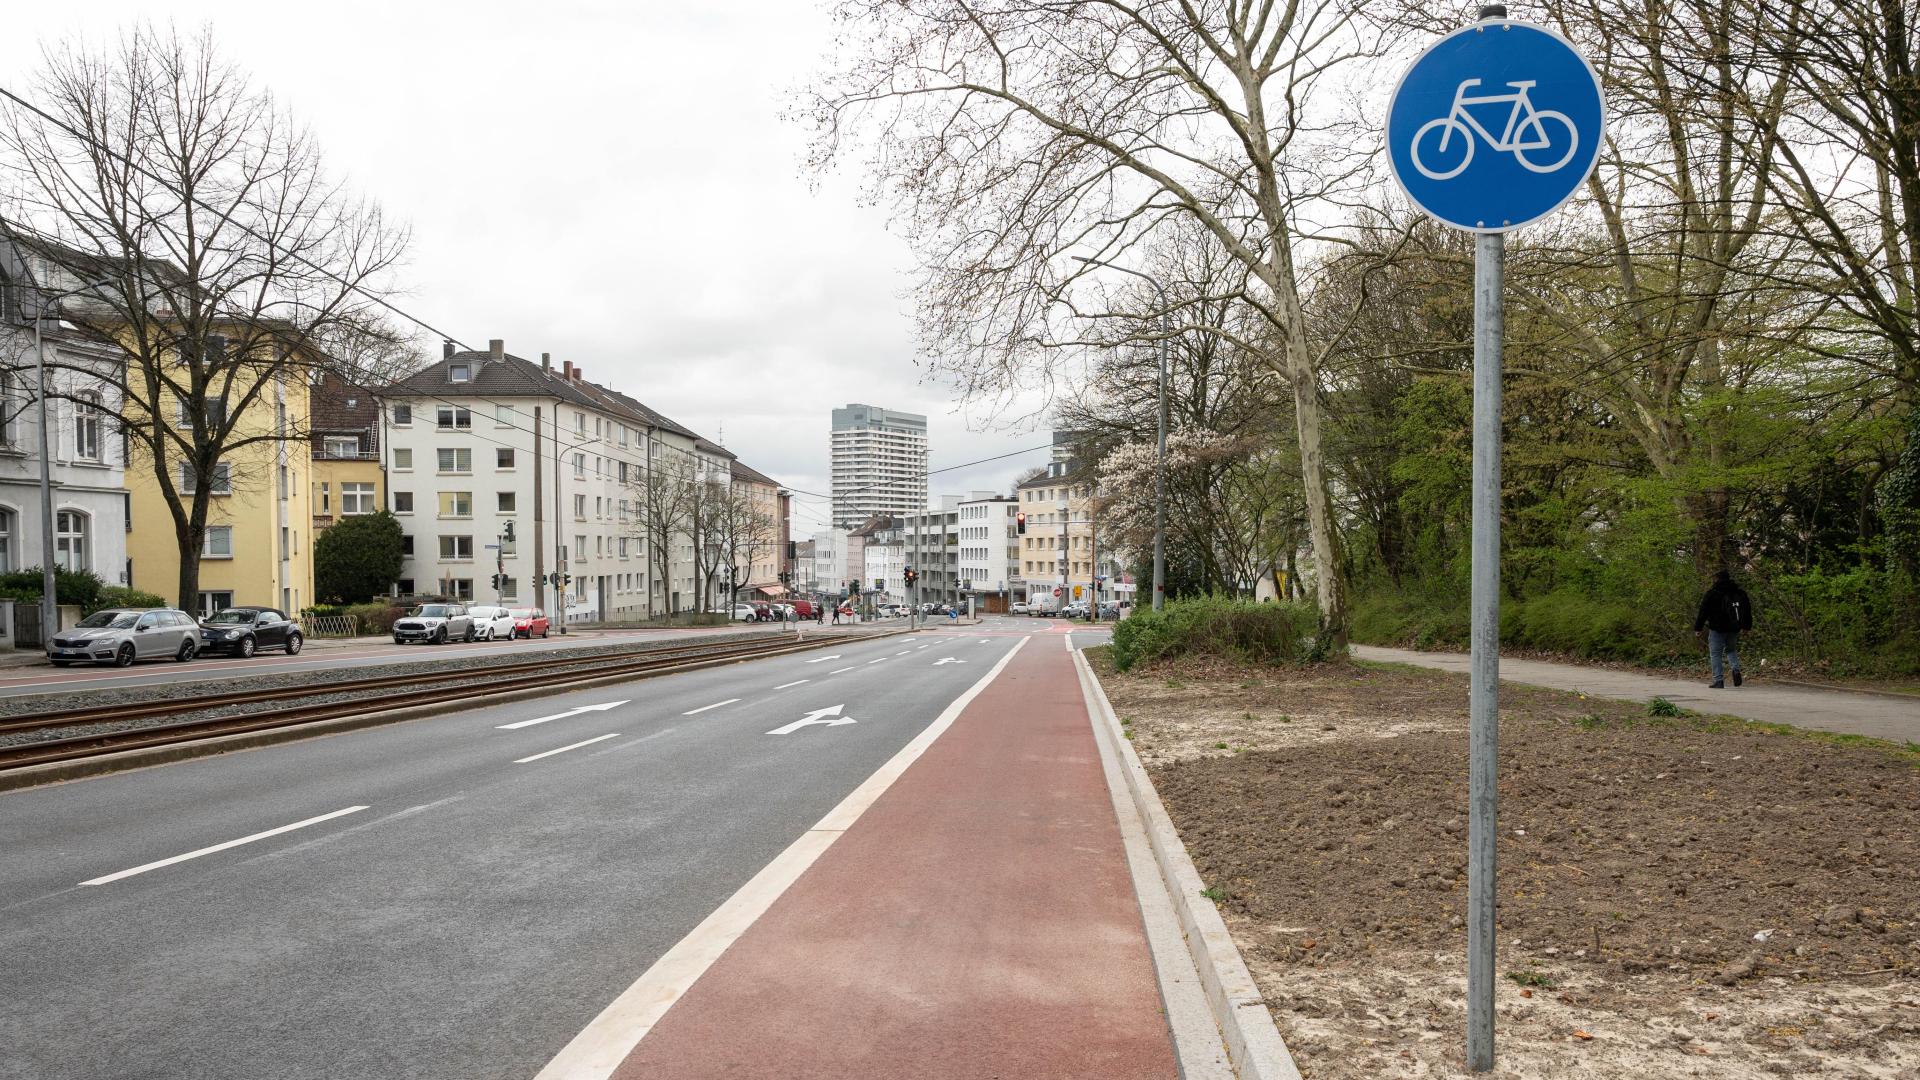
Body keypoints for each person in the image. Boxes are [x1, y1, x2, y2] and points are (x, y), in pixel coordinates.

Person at [1693, 570, 1754, 688]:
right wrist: (1746, 626)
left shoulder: (1712, 593)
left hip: (1717, 628)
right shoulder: (1739, 593)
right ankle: (1735, 670)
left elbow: (1703, 611)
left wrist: (1698, 628)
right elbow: (1747, 610)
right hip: (1734, 628)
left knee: (1715, 654)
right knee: (1731, 650)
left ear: (1716, 579)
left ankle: (1718, 680)